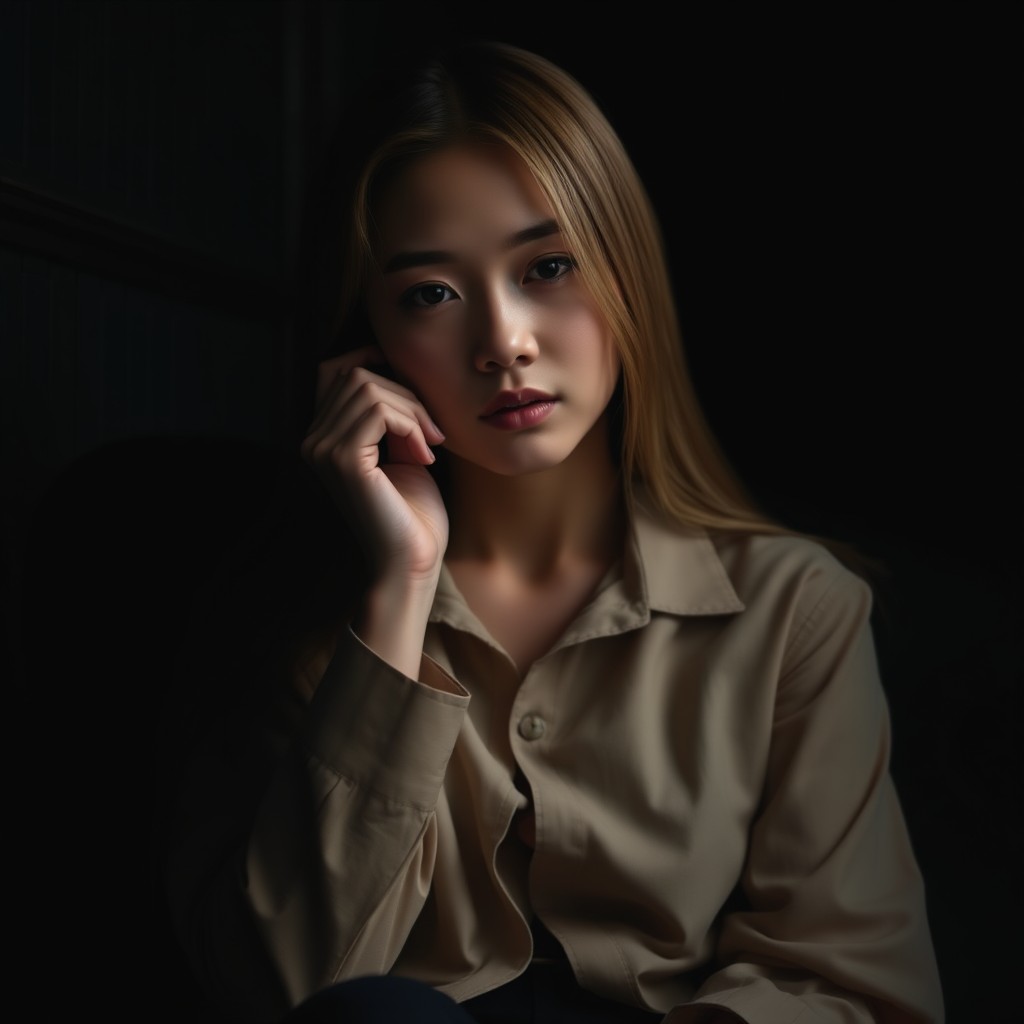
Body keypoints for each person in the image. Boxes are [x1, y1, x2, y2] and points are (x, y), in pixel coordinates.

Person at [159, 38, 944, 1024]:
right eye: (430, 294)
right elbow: (278, 988)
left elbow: (852, 983)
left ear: (625, 277)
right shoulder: (307, 623)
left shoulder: (795, 608)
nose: (503, 341)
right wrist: (399, 586)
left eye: (549, 265)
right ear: (368, 343)